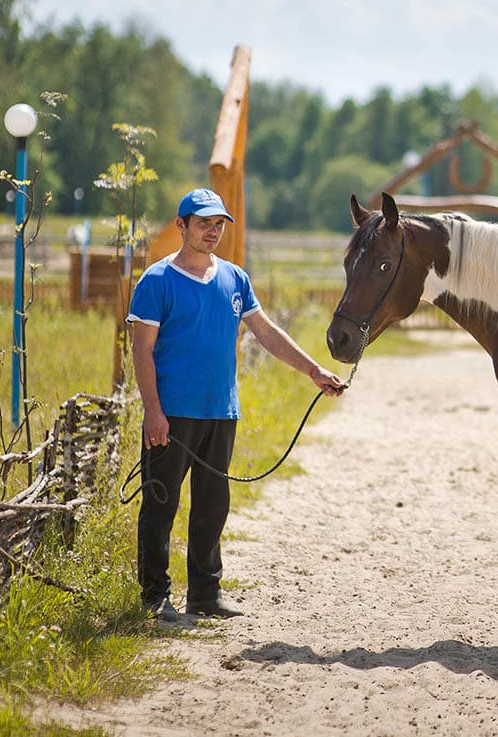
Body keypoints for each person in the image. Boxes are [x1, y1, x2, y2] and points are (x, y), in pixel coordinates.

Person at [127, 187, 345, 621]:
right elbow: (141, 350)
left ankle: (205, 596)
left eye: (218, 224)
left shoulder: (234, 278)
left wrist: (313, 371)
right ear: (181, 225)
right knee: (161, 503)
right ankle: (154, 597)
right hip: (170, 414)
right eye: (204, 222)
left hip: (220, 411)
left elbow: (266, 333)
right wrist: (153, 410)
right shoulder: (156, 281)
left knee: (212, 505)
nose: (213, 231)